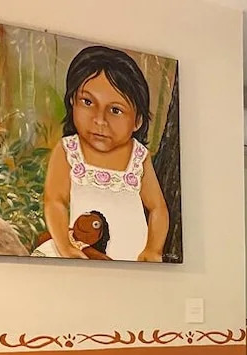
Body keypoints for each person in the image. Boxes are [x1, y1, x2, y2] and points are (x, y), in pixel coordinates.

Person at [34, 46, 168, 262]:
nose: (99, 120)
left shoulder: (138, 157)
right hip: (87, 253)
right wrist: (65, 246)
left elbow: (157, 208)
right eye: (88, 102)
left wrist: (153, 249)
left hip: (135, 258)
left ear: (137, 121)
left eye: (115, 110)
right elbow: (54, 202)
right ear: (72, 101)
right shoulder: (69, 150)